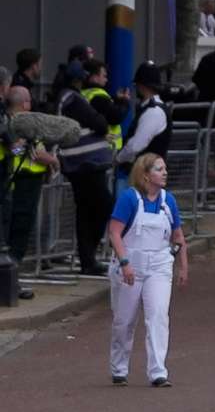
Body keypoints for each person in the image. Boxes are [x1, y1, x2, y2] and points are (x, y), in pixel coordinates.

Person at [105, 153, 187, 387]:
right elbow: (115, 233)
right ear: (145, 175)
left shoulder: (168, 200)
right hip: (131, 263)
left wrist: (183, 266)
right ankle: (119, 367)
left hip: (159, 265)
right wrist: (125, 263)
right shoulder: (129, 198)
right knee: (124, 320)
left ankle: (158, 371)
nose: (165, 173)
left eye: (165, 169)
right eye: (159, 169)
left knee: (158, 316)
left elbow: (178, 236)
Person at [54, 62, 116, 277]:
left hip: (81, 163)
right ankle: (88, 256)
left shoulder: (68, 97)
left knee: (87, 210)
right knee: (103, 205)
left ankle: (88, 260)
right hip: (84, 163)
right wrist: (101, 123)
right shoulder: (72, 99)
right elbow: (99, 123)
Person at [2, 88, 55, 284]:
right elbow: (35, 152)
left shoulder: (7, 121)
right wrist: (54, 161)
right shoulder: (23, 125)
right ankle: (11, 278)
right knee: (19, 231)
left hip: (14, 182)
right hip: (24, 180)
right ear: (25, 104)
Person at [113, 63, 169, 170]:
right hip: (148, 173)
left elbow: (136, 145)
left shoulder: (153, 111)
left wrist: (117, 159)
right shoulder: (153, 108)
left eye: (136, 85)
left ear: (142, 86)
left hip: (145, 175)